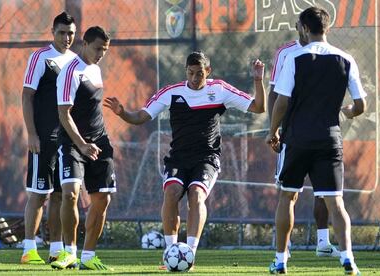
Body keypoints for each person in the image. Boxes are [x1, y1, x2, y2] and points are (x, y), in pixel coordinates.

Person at [104, 51, 266, 265]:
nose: (194, 78)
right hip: (178, 158)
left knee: (196, 195)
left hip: (207, 158)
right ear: (186, 72)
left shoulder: (219, 90)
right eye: (190, 73)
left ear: (208, 71)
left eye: (199, 73)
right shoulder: (171, 92)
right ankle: (171, 251)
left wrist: (257, 80)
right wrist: (122, 112)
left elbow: (259, 107)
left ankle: (189, 252)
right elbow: (140, 117)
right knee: (171, 192)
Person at [266, 7, 366, 275]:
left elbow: (282, 100)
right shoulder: (346, 59)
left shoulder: (295, 58)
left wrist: (272, 130)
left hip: (297, 138)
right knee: (336, 202)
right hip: (329, 139)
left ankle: (280, 261)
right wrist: (347, 112)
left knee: (287, 197)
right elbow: (360, 105)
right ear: (327, 28)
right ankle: (348, 259)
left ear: (303, 28)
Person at [268, 21, 339, 258]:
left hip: (322, 132)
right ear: (300, 26)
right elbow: (275, 94)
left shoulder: (330, 54)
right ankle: (284, 248)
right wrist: (274, 129)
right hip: (293, 134)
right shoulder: (286, 53)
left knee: (326, 193)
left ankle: (323, 243)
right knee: (289, 192)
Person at [50, 26, 115, 270]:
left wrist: (95, 143)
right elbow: (64, 114)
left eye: (105, 50)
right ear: (84, 43)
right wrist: (82, 144)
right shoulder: (69, 72)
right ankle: (69, 253)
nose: (101, 54)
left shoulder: (96, 70)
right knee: (70, 194)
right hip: (73, 143)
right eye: (98, 48)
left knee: (103, 199)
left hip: (99, 142)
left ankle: (88, 257)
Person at [21, 11, 76, 265]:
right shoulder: (40, 57)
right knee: (38, 193)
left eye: (71, 33)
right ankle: (29, 249)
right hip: (43, 137)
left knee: (59, 195)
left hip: (66, 140)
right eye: (62, 33)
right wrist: (32, 133)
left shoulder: (76, 61)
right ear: (53, 32)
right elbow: (27, 96)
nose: (67, 38)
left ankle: (56, 249)